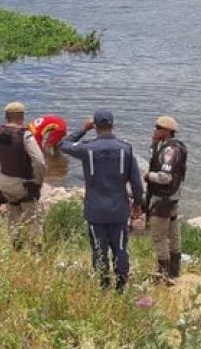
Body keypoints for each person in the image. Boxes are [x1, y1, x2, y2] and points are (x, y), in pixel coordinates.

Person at [60, 109, 145, 292]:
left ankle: (103, 286)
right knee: (120, 248)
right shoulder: (125, 149)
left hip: (95, 210)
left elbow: (64, 144)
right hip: (119, 210)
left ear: (95, 126)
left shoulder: (87, 148)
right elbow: (136, 182)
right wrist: (138, 204)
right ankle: (121, 287)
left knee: (99, 249)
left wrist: (83, 129)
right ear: (113, 125)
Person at [0, 102, 45, 251]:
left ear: (6, 117)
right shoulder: (25, 136)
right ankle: (36, 255)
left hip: (3, 182)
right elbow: (39, 162)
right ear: (22, 116)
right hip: (22, 183)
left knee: (13, 217)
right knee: (34, 220)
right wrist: (37, 182)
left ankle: (17, 249)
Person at [145, 115, 188, 285]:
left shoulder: (169, 151)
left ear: (167, 131)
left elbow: (165, 177)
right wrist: (154, 144)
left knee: (159, 236)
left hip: (162, 199)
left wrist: (149, 176)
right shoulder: (175, 148)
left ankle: (163, 273)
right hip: (173, 198)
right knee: (173, 233)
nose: (155, 130)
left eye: (158, 128)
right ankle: (175, 271)